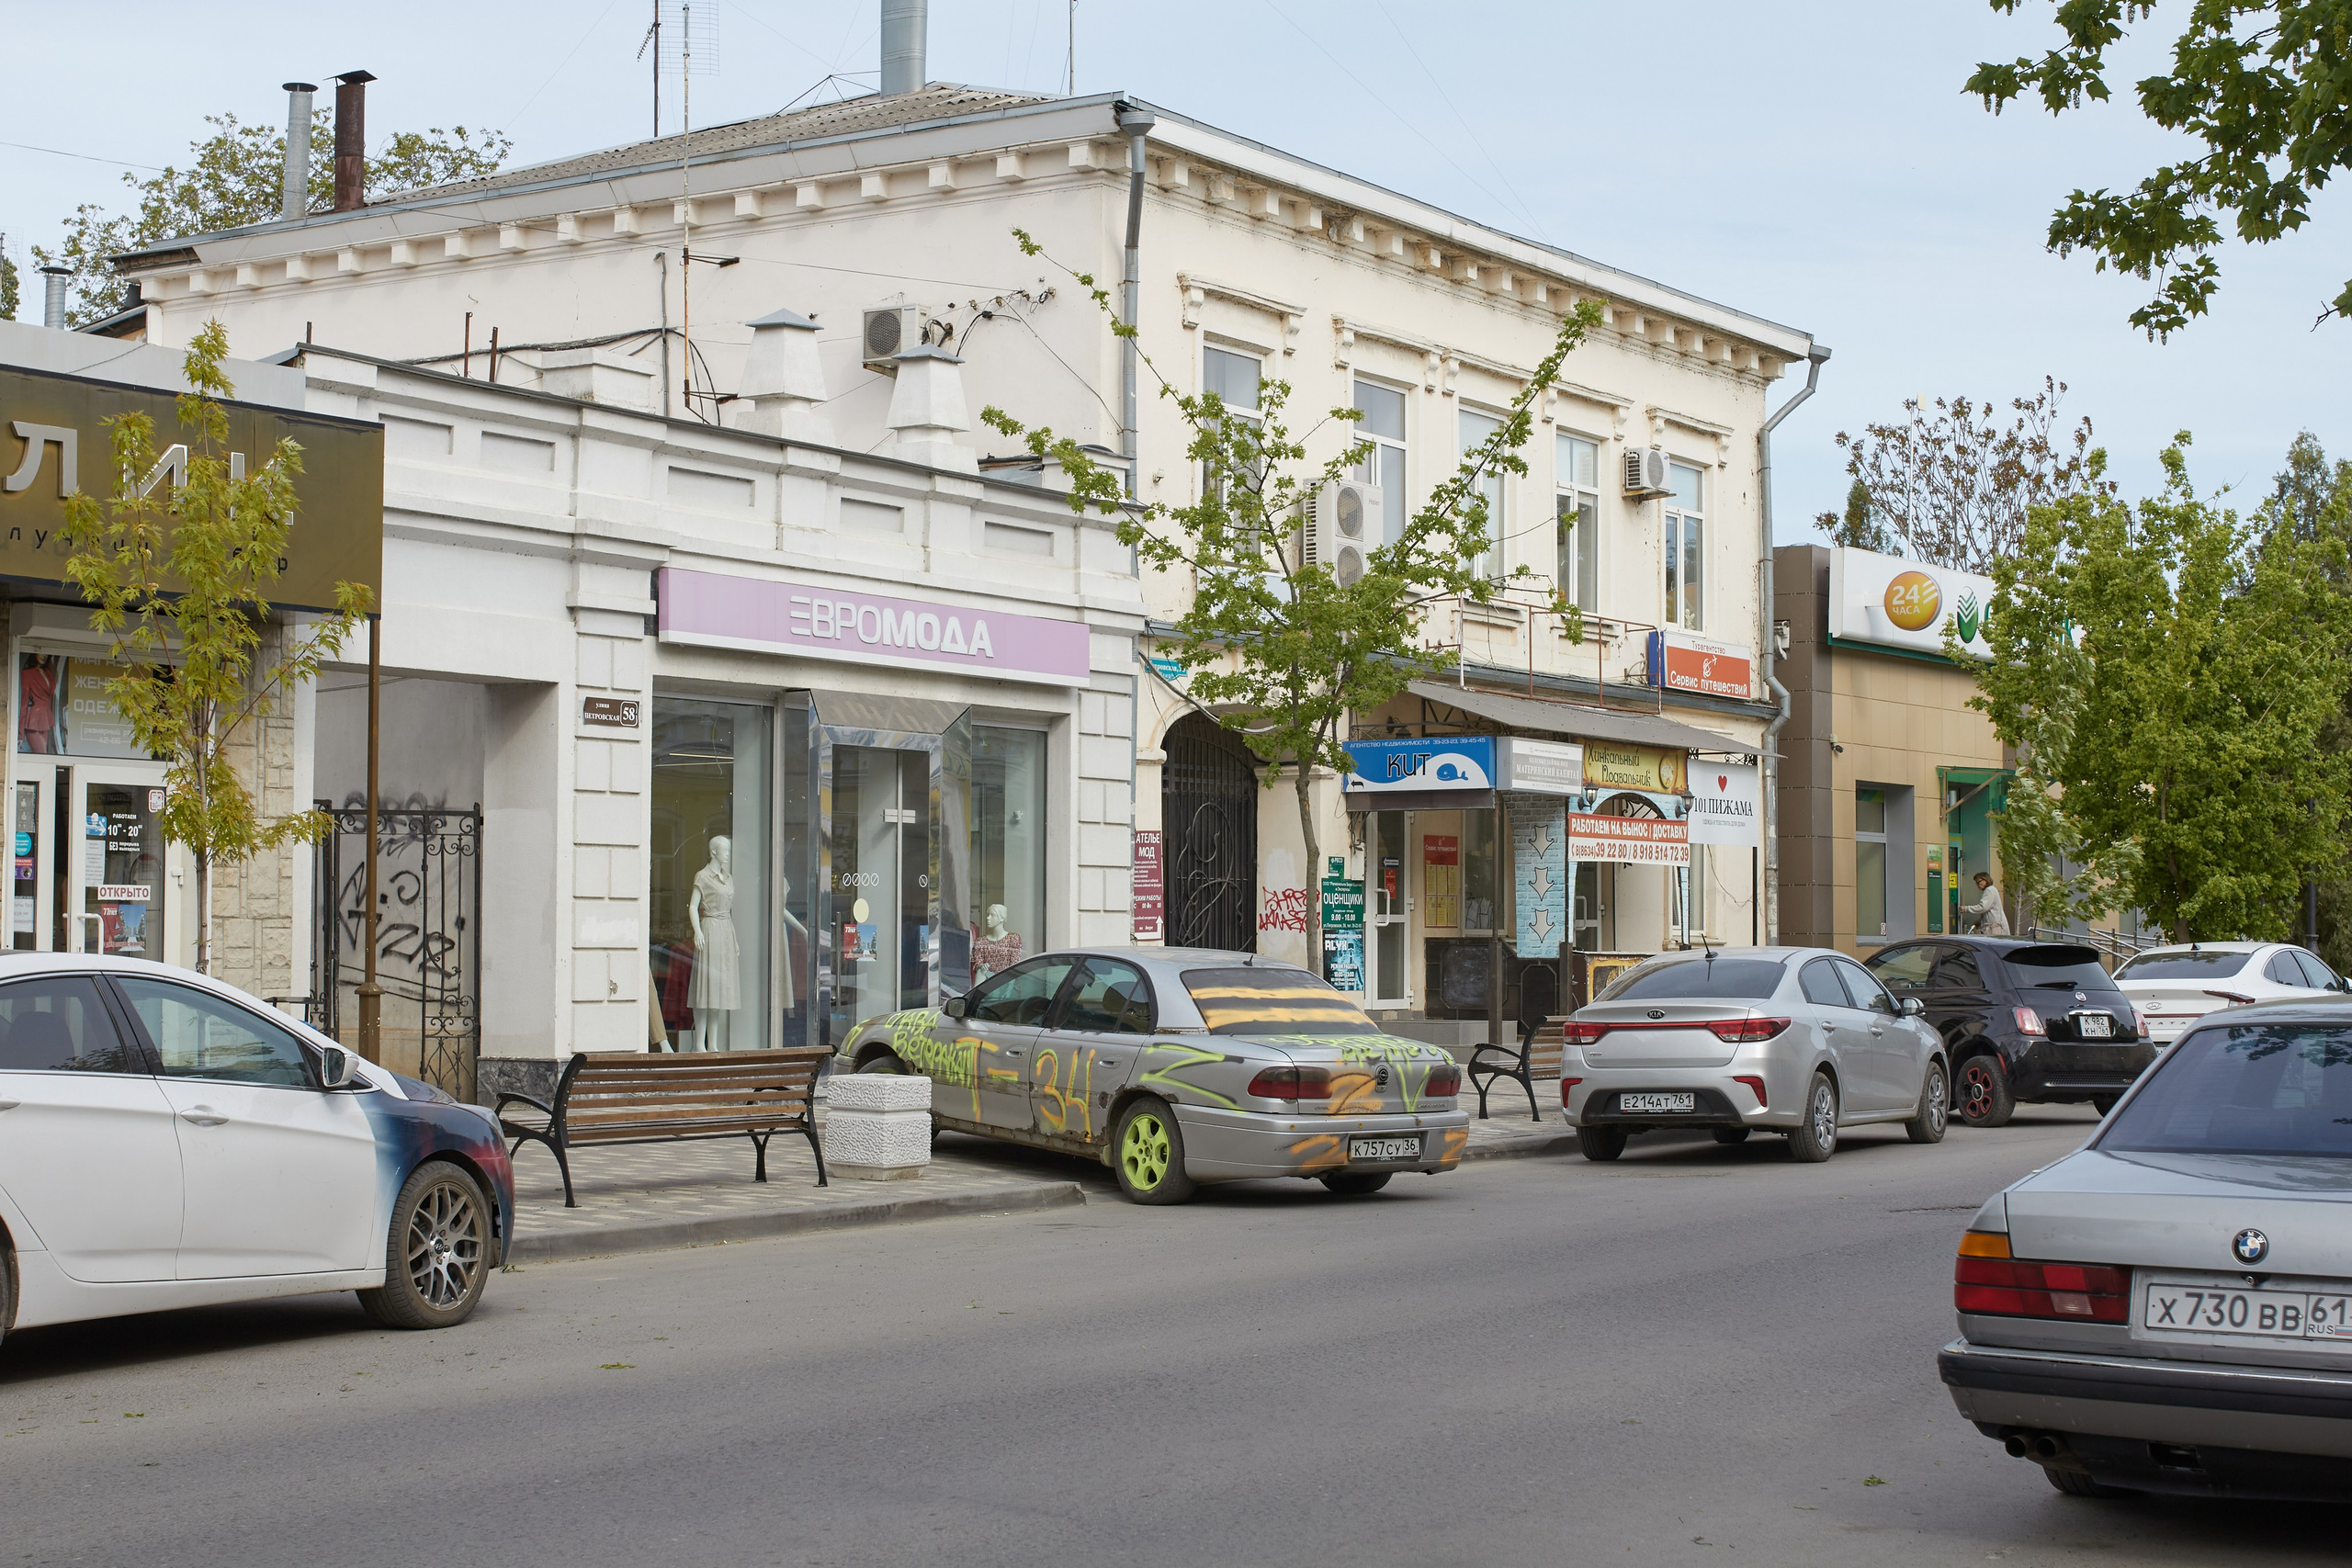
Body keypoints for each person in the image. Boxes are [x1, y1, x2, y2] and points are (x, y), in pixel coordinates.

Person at [1964, 872, 2009, 937]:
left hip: (1994, 928)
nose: (1977, 885)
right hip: (1994, 927)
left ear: (1986, 880)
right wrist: (1979, 922)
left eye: (1978, 882)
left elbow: (1983, 907)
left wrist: (1966, 909)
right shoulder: (1991, 890)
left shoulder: (1989, 890)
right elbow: (1988, 912)